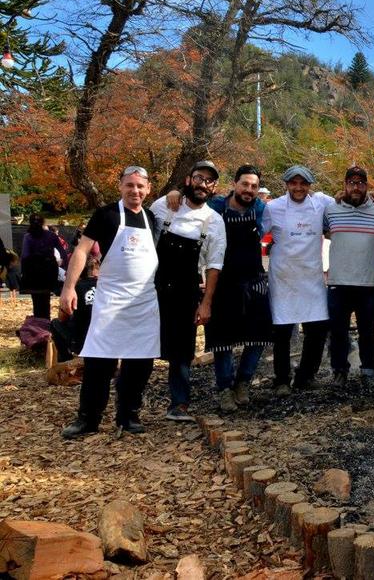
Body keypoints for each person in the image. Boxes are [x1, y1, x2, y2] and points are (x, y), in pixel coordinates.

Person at [60, 166, 160, 439]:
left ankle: (128, 415)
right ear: (120, 187)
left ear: (148, 189)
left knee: (140, 363)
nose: (135, 191)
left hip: (143, 303)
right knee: (99, 363)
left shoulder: (152, 218)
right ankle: (88, 419)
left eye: (140, 186)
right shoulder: (106, 215)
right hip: (112, 299)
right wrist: (69, 288)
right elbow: (81, 250)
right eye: (129, 185)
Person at [150, 160, 227, 422]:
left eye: (209, 180)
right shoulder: (163, 206)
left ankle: (179, 404)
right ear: (188, 180)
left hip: (187, 290)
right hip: (153, 287)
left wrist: (206, 303)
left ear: (214, 187)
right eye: (199, 178)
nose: (203, 184)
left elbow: (214, 266)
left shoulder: (214, 221)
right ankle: (130, 403)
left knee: (182, 351)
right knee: (143, 343)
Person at [204, 165, 272, 411]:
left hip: (254, 280)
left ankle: (243, 382)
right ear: (235, 184)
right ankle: (224, 389)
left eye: (254, 186)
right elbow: (190, 206)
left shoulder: (261, 209)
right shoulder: (215, 208)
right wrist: (177, 193)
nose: (249, 190)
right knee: (222, 340)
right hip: (223, 282)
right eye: (245, 184)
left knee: (259, 336)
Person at [264, 165, 335, 393]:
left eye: (303, 183)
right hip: (283, 276)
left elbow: (344, 202)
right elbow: (256, 229)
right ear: (286, 184)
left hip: (311, 276)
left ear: (309, 186)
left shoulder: (320, 204)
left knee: (318, 329)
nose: (298, 187)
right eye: (293, 183)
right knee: (282, 331)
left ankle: (306, 375)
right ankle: (282, 379)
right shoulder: (272, 207)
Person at [323, 166, 374, 387]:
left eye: (361, 183)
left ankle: (369, 371)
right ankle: (339, 370)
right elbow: (326, 231)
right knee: (338, 332)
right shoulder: (331, 210)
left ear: (367, 186)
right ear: (344, 185)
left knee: (367, 331)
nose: (356, 187)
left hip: (368, 282)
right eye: (351, 183)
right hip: (338, 281)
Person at [20, 213, 69, 319]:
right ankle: (46, 322)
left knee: (36, 301)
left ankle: (38, 323)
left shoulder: (28, 237)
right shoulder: (51, 235)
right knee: (46, 299)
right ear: (43, 222)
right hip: (49, 271)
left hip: (33, 273)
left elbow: (25, 256)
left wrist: (23, 272)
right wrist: (65, 266)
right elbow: (63, 252)